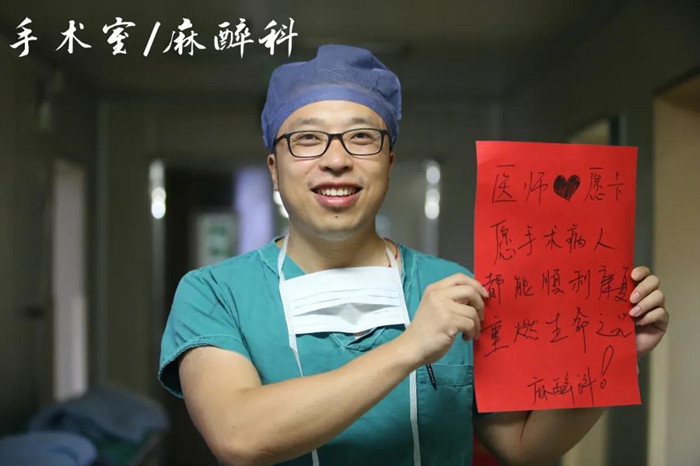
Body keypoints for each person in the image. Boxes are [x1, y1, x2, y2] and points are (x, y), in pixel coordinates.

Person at [158, 44, 669, 465]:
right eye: (307, 139)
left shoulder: (454, 288)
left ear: (389, 160)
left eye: (362, 137)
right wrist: (410, 347)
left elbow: (524, 448)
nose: (336, 160)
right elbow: (239, 437)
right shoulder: (213, 294)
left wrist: (606, 353)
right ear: (274, 167)